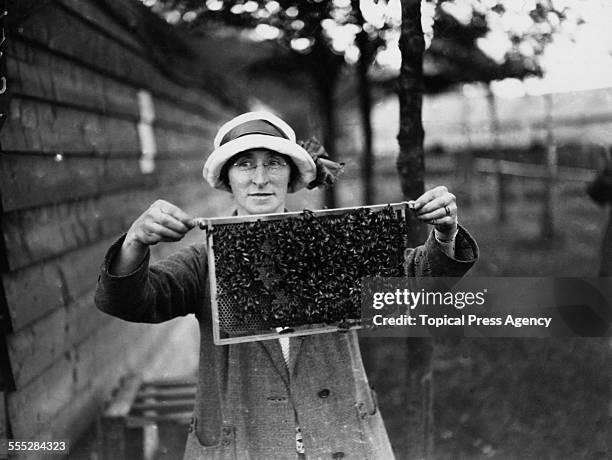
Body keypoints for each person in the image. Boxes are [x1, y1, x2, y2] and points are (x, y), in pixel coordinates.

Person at [95, 111, 479, 459]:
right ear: (227, 179)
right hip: (242, 446)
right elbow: (132, 301)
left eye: (273, 164)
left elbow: (418, 278)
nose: (260, 179)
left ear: (292, 176)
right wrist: (134, 242)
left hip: (343, 441)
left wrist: (445, 232)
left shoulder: (334, 245)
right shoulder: (203, 261)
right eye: (245, 165)